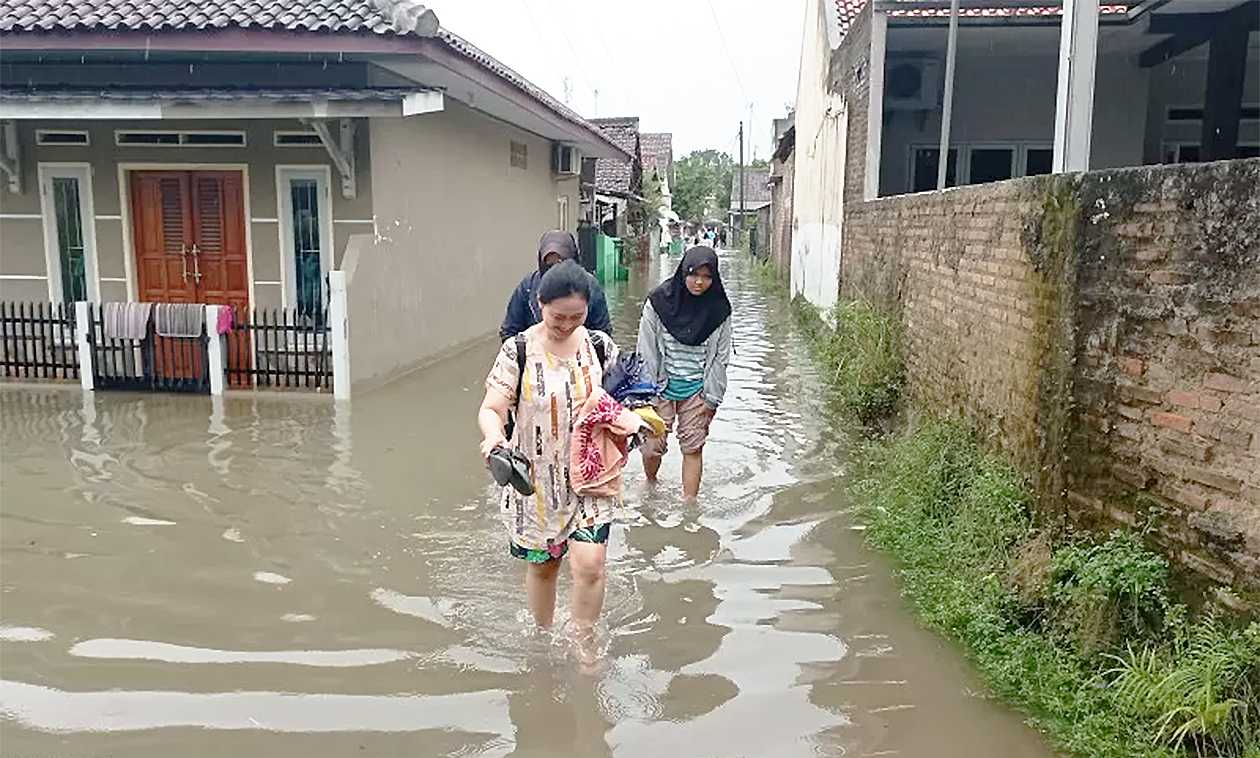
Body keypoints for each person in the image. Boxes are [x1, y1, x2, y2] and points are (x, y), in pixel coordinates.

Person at [479, 260, 635, 646]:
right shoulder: (517, 351)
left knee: (591, 564)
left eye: (576, 316)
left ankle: (584, 642)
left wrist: (636, 423)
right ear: (539, 304)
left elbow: (625, 401)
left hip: (592, 476)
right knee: (545, 568)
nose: (566, 325)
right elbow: (492, 408)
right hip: (536, 484)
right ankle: (544, 637)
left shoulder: (600, 347)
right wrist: (494, 437)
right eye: (557, 317)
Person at [637, 246, 733, 500]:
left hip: (697, 390)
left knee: (693, 447)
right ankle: (651, 484)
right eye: (693, 274)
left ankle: (690, 508)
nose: (699, 282)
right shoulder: (658, 302)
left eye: (706, 276)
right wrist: (646, 394)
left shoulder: (719, 311)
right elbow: (646, 350)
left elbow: (720, 358)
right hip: (661, 386)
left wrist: (712, 399)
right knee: (651, 447)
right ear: (683, 272)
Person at [500, 230, 612, 340]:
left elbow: (603, 332)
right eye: (549, 263)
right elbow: (509, 330)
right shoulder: (528, 287)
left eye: (560, 262)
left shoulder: (591, 287)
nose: (565, 326)